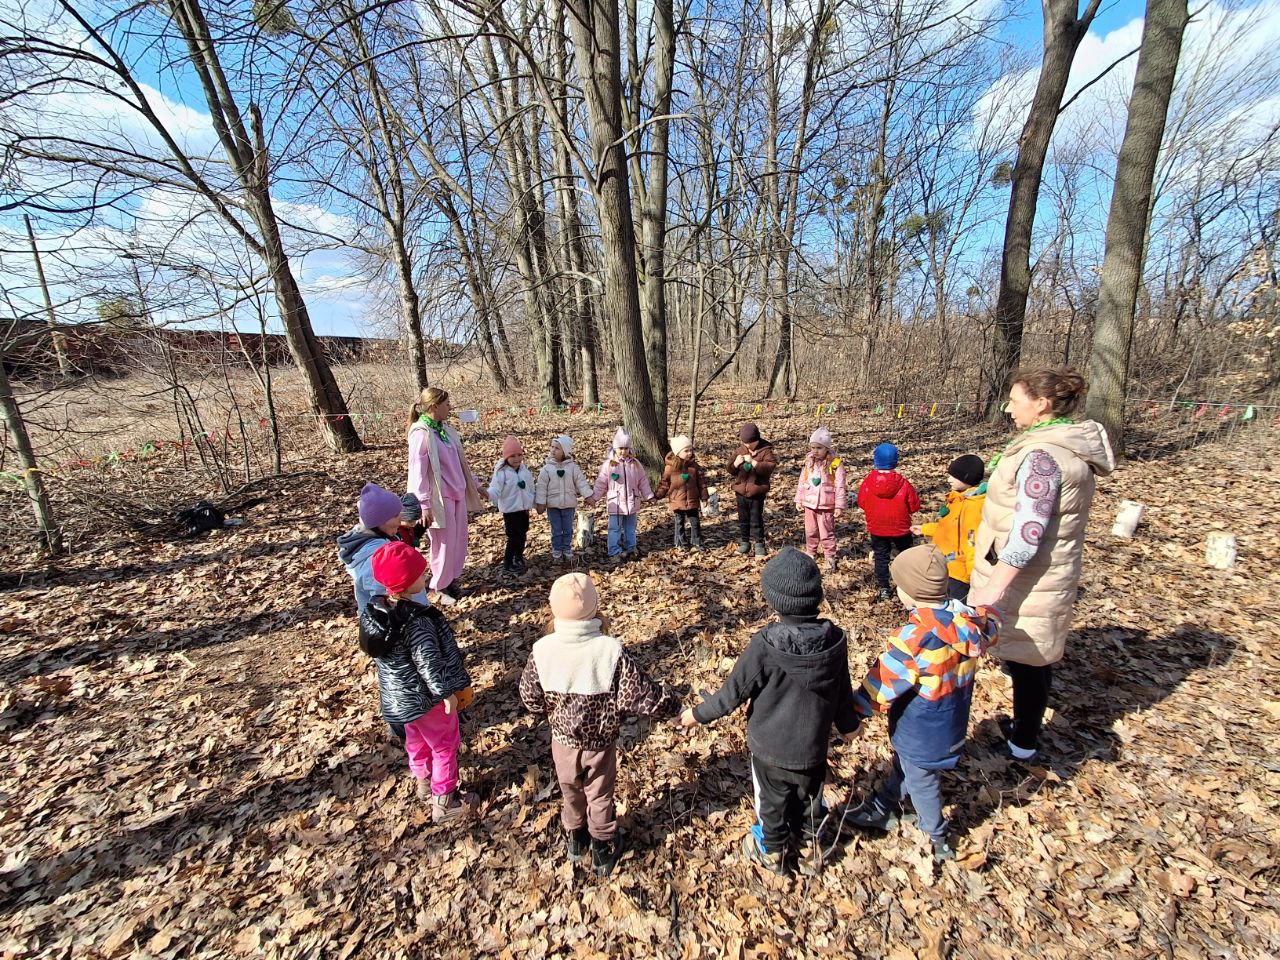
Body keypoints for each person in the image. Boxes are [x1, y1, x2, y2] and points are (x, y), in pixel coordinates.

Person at [680, 548, 860, 875]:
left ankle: (772, 851)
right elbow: (843, 691)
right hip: (813, 746)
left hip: (769, 748)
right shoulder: (834, 639)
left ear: (774, 601)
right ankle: (809, 852)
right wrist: (849, 725)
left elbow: (733, 693)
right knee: (810, 799)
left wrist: (697, 714)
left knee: (771, 803)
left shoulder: (765, 645)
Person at [968, 367, 1115, 763]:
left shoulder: (1043, 457)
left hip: (1030, 580)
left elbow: (1027, 534)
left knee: (1029, 658)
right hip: (1037, 574)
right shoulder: (1053, 447)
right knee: (1029, 655)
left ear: (1042, 404)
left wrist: (991, 589)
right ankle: (1025, 734)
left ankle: (1023, 743)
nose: (1008, 408)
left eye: (1015, 401)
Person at [844, 545, 1002, 863]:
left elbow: (882, 683)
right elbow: (993, 626)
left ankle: (937, 836)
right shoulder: (969, 622)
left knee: (922, 780)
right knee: (908, 765)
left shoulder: (915, 638)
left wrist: (853, 712)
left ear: (909, 593)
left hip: (923, 727)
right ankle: (885, 804)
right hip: (952, 719)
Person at [519, 573, 680, 877]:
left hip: (562, 741)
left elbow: (529, 696)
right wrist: (672, 706)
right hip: (600, 743)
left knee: (570, 789)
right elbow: (641, 693)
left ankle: (576, 837)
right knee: (600, 793)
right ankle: (602, 847)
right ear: (595, 608)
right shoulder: (609, 650)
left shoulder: (542, 650)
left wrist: (549, 711)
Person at [366, 541, 476, 822]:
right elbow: (428, 662)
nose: (425, 576)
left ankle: (424, 782)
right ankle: (445, 800)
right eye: (420, 573)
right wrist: (445, 693)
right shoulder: (417, 621)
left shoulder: (381, 614)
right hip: (427, 698)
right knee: (444, 744)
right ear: (406, 581)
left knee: (416, 740)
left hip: (402, 700)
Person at [337, 482, 427, 744]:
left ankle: (414, 715)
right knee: (399, 674)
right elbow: (385, 591)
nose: (401, 519)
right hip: (393, 628)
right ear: (378, 521)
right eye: (395, 516)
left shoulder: (378, 541)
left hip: (399, 621)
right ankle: (402, 724)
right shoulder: (374, 554)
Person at [406, 387, 487, 606]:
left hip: (457, 493)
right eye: (446, 404)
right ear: (434, 406)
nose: (450, 407)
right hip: (439, 499)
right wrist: (423, 504)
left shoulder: (447, 431)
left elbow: (460, 463)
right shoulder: (421, 434)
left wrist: (476, 485)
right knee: (442, 543)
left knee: (458, 541)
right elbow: (417, 472)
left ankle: (451, 580)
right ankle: (439, 586)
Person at [911, 455, 986, 602]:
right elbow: (949, 527)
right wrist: (926, 529)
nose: (949, 480)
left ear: (967, 478)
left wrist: (973, 573)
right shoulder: (957, 499)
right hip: (946, 565)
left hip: (961, 573)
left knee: (959, 608)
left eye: (954, 476)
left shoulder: (973, 506)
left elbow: (973, 540)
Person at [856, 442, 921, 600]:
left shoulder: (868, 482)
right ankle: (907, 584)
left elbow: (862, 502)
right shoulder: (903, 483)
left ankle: (884, 587)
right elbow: (914, 506)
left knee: (881, 557)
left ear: (875, 461)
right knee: (905, 554)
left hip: (877, 528)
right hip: (901, 527)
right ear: (895, 462)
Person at [591, 427, 654, 561]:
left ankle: (631, 547)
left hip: (632, 501)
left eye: (626, 448)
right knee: (614, 528)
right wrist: (595, 497)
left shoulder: (635, 464)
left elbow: (642, 481)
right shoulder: (609, 465)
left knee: (630, 527)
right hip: (616, 503)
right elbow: (601, 482)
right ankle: (614, 550)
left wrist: (649, 496)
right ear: (615, 448)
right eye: (620, 448)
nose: (623, 451)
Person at [534, 434, 595, 563]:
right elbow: (541, 487)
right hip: (553, 506)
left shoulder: (572, 468)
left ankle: (567, 548)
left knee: (567, 529)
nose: (553, 450)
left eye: (557, 448)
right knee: (556, 530)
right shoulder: (547, 469)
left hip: (569, 505)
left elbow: (581, 483)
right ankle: (557, 550)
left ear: (565, 451)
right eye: (552, 447)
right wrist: (540, 503)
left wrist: (588, 495)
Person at [795, 427, 846, 572]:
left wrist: (839, 505)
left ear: (827, 448)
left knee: (826, 531)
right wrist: (799, 499)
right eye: (813, 448)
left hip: (826, 503)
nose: (815, 451)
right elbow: (802, 480)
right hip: (809, 502)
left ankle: (829, 555)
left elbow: (840, 484)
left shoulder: (835, 463)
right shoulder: (809, 461)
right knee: (810, 530)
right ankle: (810, 552)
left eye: (819, 448)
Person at [488, 435, 536, 575]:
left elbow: (530, 488)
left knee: (522, 534)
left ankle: (519, 556)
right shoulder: (501, 472)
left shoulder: (524, 470)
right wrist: (488, 494)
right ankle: (508, 561)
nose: (516, 459)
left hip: (523, 509)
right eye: (512, 456)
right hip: (510, 510)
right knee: (513, 536)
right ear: (506, 457)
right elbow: (495, 488)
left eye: (519, 455)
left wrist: (535, 502)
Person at [728, 423, 778, 557]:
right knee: (743, 519)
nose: (746, 445)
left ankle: (759, 543)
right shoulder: (740, 450)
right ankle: (745, 542)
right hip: (741, 491)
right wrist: (735, 464)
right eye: (744, 442)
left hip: (757, 492)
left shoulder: (766, 451)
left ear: (756, 440)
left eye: (749, 443)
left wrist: (754, 463)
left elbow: (770, 467)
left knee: (756, 519)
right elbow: (730, 469)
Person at [655, 434, 709, 551]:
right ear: (677, 452)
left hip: (692, 499)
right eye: (686, 451)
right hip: (677, 500)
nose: (689, 453)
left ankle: (697, 542)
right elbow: (665, 484)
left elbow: (701, 483)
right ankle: (680, 542)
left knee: (695, 522)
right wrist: (657, 496)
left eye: (691, 450)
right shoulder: (670, 468)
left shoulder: (694, 467)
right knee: (679, 522)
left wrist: (704, 497)